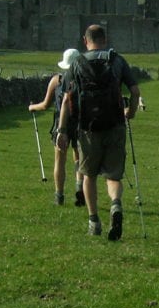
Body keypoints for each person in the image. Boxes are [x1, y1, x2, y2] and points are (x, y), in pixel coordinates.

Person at [57, 24, 141, 242]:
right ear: (105, 39)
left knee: (89, 175)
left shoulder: (76, 63)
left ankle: (94, 222)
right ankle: (115, 205)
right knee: (113, 175)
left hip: (87, 128)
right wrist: (130, 113)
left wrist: (62, 130)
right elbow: (135, 91)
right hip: (115, 125)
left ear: (85, 41)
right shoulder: (117, 61)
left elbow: (66, 100)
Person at [28, 48, 83, 207]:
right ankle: (79, 188)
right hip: (80, 122)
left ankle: (59, 196)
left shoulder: (56, 80)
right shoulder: (84, 81)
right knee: (78, 157)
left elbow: (45, 105)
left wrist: (32, 107)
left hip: (61, 123)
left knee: (60, 160)